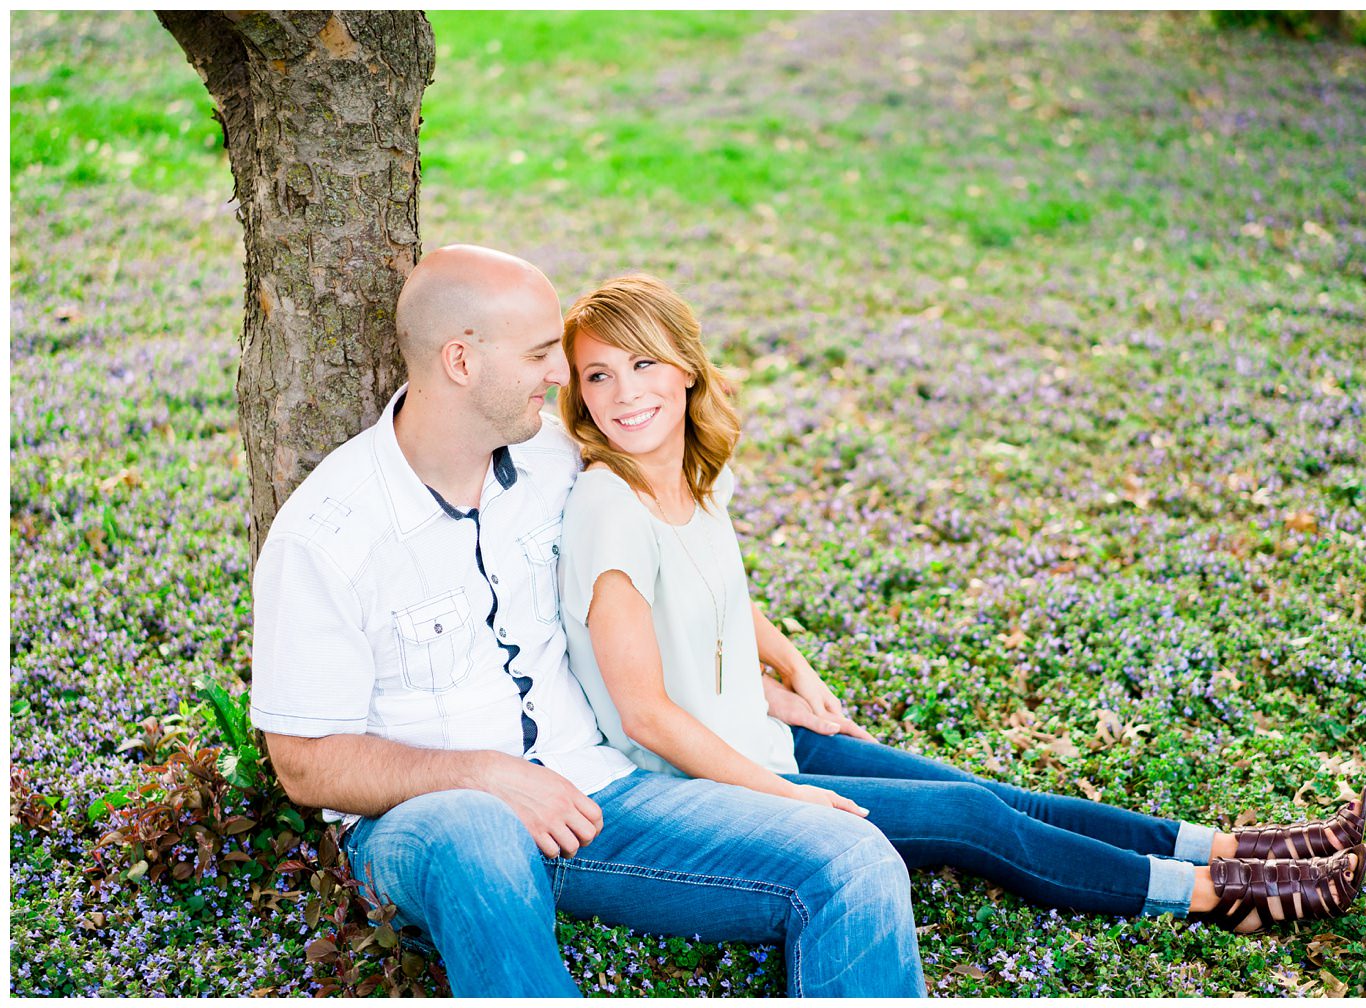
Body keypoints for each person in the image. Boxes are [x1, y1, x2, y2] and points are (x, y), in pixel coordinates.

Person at [556, 273, 1366, 937]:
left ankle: (1240, 848)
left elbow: (715, 586)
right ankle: (1224, 896)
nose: (624, 394)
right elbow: (647, 716)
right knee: (971, 820)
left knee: (986, 792)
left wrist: (792, 669)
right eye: (599, 375)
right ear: (580, 394)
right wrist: (788, 797)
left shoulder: (692, 474)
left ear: (688, 370)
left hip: (765, 734)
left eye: (644, 365)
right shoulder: (608, 505)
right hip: (717, 783)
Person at [248, 245, 928, 998]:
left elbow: (663, 570)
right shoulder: (330, 533)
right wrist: (483, 775)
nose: (562, 374)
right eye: (542, 352)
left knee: (855, 857)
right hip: (427, 828)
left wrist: (767, 674)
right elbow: (304, 763)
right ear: (461, 361)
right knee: (480, 829)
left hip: (602, 792)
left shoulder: (556, 457)